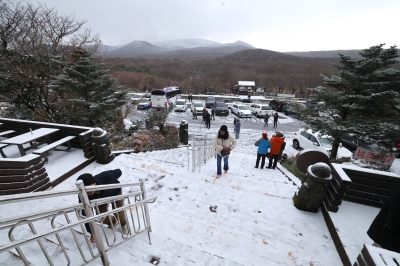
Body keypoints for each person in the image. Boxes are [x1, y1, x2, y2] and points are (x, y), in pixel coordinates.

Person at [77, 169, 128, 243]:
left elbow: (119, 171)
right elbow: (86, 214)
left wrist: (115, 179)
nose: (89, 191)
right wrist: (91, 232)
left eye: (90, 187)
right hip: (100, 199)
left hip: (115, 192)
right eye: (85, 189)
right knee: (101, 217)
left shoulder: (105, 177)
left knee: (118, 211)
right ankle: (113, 221)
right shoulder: (83, 195)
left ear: (95, 183)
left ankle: (124, 225)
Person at [367, 187, 400, 253]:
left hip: (390, 235)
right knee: (377, 256)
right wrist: (392, 224)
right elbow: (395, 205)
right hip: (389, 235)